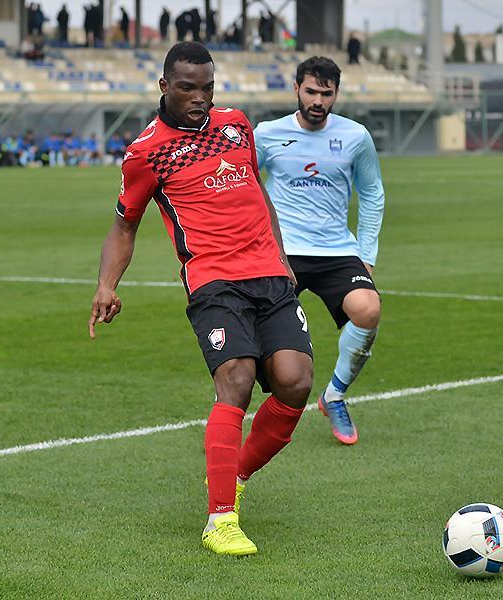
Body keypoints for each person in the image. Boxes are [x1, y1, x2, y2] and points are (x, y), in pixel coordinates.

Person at [89, 42, 313, 556]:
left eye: (207, 88)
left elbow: (257, 192)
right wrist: (106, 284)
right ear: (164, 86)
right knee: (236, 379)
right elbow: (124, 226)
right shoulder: (146, 151)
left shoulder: (236, 124)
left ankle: (233, 475)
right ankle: (220, 519)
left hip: (269, 274)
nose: (199, 98)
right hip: (213, 281)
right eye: (187, 88)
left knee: (295, 382)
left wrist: (282, 258)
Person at [254, 56, 384, 445]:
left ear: (336, 94)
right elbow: (242, 183)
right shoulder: (267, 134)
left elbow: (372, 192)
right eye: (311, 91)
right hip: (283, 250)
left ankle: (335, 396)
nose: (318, 101)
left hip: (336, 250)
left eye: (326, 94)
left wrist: (367, 254)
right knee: (253, 331)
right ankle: (232, 411)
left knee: (368, 309)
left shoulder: (356, 136)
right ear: (296, 89)